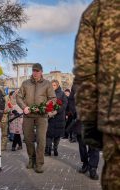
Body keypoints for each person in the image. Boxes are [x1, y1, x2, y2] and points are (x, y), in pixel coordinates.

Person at [73, 0, 120, 189]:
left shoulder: (98, 10)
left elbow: (86, 74)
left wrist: (90, 122)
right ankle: (89, 166)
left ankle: (91, 166)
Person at [16, 63, 56, 173]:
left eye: (37, 71)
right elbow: (18, 97)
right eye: (34, 70)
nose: (35, 73)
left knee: (41, 140)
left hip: (42, 116)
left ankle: (39, 163)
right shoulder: (25, 83)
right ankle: (31, 159)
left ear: (41, 72)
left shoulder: (47, 84)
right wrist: (24, 107)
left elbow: (53, 99)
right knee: (28, 140)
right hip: (28, 115)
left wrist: (43, 107)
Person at [45, 80, 67, 156]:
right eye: (51, 85)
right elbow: (44, 103)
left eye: (54, 85)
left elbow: (64, 105)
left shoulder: (62, 94)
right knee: (48, 135)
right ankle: (48, 149)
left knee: (57, 135)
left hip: (59, 118)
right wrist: (47, 111)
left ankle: (55, 148)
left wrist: (57, 111)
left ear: (57, 86)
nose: (52, 86)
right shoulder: (47, 93)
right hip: (49, 118)